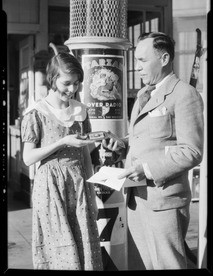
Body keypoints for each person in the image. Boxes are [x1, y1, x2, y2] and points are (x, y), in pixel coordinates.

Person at [102, 32, 204, 270]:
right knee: (141, 266)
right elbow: (148, 138)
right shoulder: (143, 95)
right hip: (136, 200)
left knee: (168, 265)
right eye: (136, 60)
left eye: (143, 60)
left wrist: (146, 170)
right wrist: (122, 145)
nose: (137, 67)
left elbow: (192, 151)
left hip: (164, 201)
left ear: (165, 58)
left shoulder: (185, 94)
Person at [21, 46, 103, 270]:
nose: (72, 88)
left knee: (84, 243)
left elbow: (85, 153)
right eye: (67, 83)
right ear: (53, 78)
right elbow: (28, 159)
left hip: (78, 185)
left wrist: (92, 191)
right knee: (58, 246)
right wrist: (61, 142)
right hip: (50, 187)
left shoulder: (80, 110)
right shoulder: (37, 113)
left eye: (76, 83)